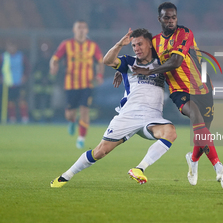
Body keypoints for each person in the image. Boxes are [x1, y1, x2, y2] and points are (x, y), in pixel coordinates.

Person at [50, 28, 177, 187]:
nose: (136, 48)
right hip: (128, 116)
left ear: (150, 45)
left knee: (170, 132)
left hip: (152, 118)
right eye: (133, 45)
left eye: (140, 44)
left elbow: (178, 63)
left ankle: (139, 169)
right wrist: (119, 44)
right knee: (100, 151)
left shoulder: (162, 63)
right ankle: (65, 176)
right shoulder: (129, 62)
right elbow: (108, 61)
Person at [132, 2, 223, 185]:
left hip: (203, 87)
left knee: (203, 133)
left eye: (174, 17)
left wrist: (150, 72)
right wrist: (121, 69)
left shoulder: (185, 33)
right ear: (160, 19)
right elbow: (141, 58)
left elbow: (175, 62)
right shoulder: (155, 42)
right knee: (196, 117)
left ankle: (193, 159)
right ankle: (218, 166)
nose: (171, 21)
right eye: (167, 17)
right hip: (178, 90)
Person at [49, 20, 104, 149]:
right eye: (79, 27)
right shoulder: (66, 44)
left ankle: (81, 139)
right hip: (70, 84)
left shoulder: (93, 46)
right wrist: (53, 67)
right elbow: (55, 58)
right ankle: (72, 121)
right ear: (74, 30)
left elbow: (100, 62)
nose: (81, 30)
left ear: (87, 30)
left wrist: (99, 75)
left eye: (83, 27)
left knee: (85, 110)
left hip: (87, 84)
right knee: (70, 114)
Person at [0, 41, 29, 123]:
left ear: (16, 47)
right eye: (9, 47)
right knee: (10, 102)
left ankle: (25, 118)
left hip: (19, 82)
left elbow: (27, 67)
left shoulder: (21, 56)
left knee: (22, 100)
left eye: (13, 47)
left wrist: (25, 76)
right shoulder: (3, 57)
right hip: (8, 83)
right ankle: (12, 118)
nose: (11, 49)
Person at [32, 43, 55, 122]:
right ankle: (36, 119)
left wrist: (47, 79)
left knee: (48, 103)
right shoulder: (38, 62)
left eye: (47, 52)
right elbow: (35, 73)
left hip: (48, 86)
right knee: (37, 102)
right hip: (38, 86)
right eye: (44, 52)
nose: (46, 53)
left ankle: (48, 119)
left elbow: (54, 74)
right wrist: (41, 79)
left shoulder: (52, 62)